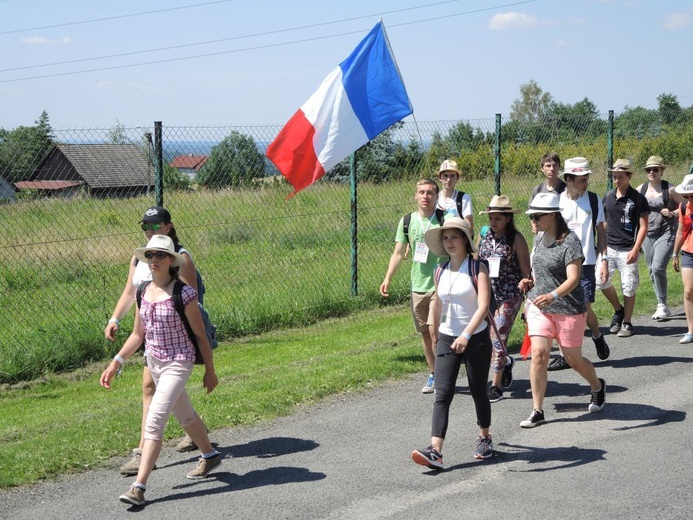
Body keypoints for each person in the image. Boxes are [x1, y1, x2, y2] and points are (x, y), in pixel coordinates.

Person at [101, 235, 221, 507]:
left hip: (179, 361)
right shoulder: (143, 291)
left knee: (155, 419)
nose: (153, 260)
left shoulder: (183, 293)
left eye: (159, 255)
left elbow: (201, 337)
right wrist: (115, 363)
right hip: (154, 362)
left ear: (171, 261)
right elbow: (136, 335)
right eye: (150, 255)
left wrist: (210, 371)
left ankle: (138, 487)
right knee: (185, 415)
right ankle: (210, 454)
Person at [411, 217, 493, 468]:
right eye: (445, 238)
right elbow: (438, 301)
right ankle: (435, 450)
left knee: (478, 390)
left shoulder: (477, 268)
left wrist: (466, 335)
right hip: (448, 336)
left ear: (465, 240)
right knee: (442, 393)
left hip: (475, 337)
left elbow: (483, 307)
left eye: (454, 237)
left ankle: (485, 437)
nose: (449, 242)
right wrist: (434, 330)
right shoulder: (440, 270)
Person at [518, 192, 605, 428]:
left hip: (568, 307)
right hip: (539, 306)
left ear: (553, 215)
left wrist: (553, 295)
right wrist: (529, 282)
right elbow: (539, 273)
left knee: (572, 359)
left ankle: (597, 385)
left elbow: (574, 278)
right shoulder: (538, 239)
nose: (533, 221)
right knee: (539, 354)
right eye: (531, 216)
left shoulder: (570, 241)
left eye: (537, 216)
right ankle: (537, 410)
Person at [380, 179, 444, 393]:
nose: (425, 196)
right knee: (425, 332)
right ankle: (434, 373)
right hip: (418, 284)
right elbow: (398, 252)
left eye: (430, 193)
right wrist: (388, 277)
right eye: (421, 192)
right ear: (415, 196)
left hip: (440, 283)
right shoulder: (407, 221)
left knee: (436, 330)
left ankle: (444, 374)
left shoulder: (445, 219)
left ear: (436, 196)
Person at [549, 157, 611, 370]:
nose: (586, 184)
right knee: (562, 309)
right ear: (568, 179)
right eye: (582, 180)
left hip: (586, 264)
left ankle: (596, 334)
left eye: (586, 179)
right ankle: (567, 354)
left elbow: (601, 233)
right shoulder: (556, 202)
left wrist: (603, 261)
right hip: (560, 263)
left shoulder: (593, 200)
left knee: (583, 308)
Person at [476, 195, 531, 402]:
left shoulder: (516, 239)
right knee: (488, 338)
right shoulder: (484, 236)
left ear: (507, 218)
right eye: (491, 218)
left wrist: (526, 297)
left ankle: (495, 385)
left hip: (509, 294)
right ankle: (505, 363)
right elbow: (477, 262)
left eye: (498, 218)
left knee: (499, 335)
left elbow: (526, 272)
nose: (493, 222)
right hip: (488, 294)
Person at [598, 159, 650, 338]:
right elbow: (604, 223)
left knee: (629, 286)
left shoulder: (638, 199)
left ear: (629, 176)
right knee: (601, 281)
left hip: (628, 248)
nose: (617, 180)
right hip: (609, 248)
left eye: (620, 177)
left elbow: (643, 226)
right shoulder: (608, 196)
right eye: (614, 177)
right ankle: (618, 310)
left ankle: (627, 323)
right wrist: (600, 247)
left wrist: (636, 249)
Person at [636, 156, 682, 321]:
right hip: (647, 233)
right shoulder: (640, 189)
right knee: (650, 269)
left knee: (657, 267)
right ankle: (662, 304)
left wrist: (672, 213)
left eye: (655, 169)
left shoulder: (669, 189)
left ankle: (662, 305)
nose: (652, 172)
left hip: (667, 232)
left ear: (662, 170)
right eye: (649, 169)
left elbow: (686, 206)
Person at [671, 174, 693, 343]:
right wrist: (675, 254)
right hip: (688, 251)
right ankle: (691, 331)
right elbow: (680, 231)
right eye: (687, 195)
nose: (689, 198)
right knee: (688, 291)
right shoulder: (684, 206)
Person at [436, 159, 474, 229]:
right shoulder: (435, 198)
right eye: (445, 175)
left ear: (457, 178)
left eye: (452, 176)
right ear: (440, 177)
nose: (448, 180)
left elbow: (469, 226)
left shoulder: (464, 198)